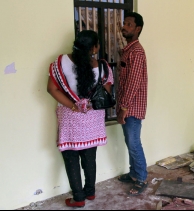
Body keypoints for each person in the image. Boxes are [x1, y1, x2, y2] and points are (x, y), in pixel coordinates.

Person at [47, 30, 114, 207]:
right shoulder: (103, 66)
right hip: (93, 119)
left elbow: (51, 89)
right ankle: (90, 193)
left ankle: (78, 198)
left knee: (71, 157)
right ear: (94, 48)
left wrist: (73, 105)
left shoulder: (60, 62)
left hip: (70, 118)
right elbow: (106, 93)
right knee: (89, 157)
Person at [116, 12, 148, 196]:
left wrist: (123, 109)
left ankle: (142, 177)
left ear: (138, 29)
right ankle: (134, 172)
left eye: (129, 24)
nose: (124, 27)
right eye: (124, 23)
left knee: (134, 142)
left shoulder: (136, 52)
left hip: (132, 108)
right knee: (130, 142)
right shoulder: (129, 50)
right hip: (127, 106)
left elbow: (133, 82)